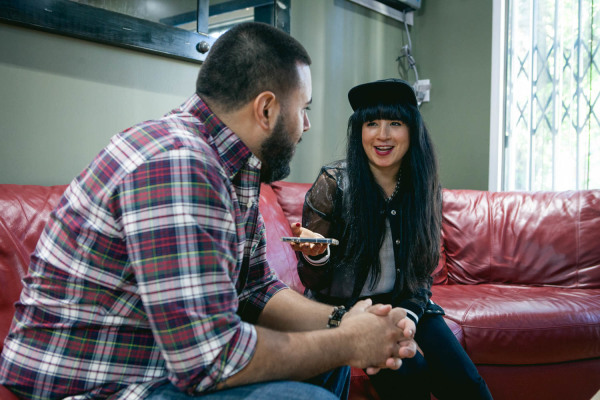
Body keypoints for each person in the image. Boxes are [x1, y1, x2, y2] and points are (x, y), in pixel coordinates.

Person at [0, 25, 418, 400]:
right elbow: (210, 360)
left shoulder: (237, 168)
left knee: (328, 365)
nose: (305, 125)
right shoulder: (178, 162)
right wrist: (349, 341)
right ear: (267, 109)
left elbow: (254, 289)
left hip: (165, 367)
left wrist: (343, 319)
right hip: (100, 385)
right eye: (302, 108)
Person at [294, 79, 493, 399]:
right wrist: (315, 254)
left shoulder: (423, 188)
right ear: (359, 131)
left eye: (394, 124)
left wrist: (411, 319)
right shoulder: (333, 183)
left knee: (469, 386)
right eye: (371, 123)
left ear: (411, 131)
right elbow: (313, 280)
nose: (382, 134)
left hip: (405, 301)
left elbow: (421, 274)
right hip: (347, 309)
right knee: (409, 379)